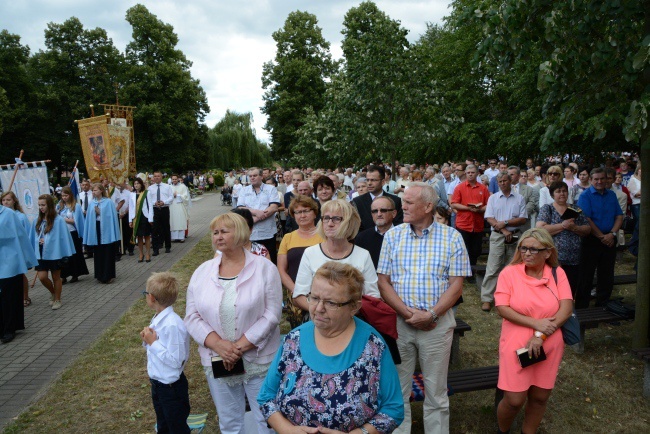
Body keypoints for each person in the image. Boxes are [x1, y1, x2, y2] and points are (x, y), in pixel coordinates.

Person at [258, 262, 404, 433]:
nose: (319, 309)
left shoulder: (372, 345)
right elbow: (266, 398)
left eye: (331, 303)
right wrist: (287, 430)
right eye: (314, 298)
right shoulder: (294, 339)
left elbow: (393, 409)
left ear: (354, 307)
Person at [377, 182, 471, 433]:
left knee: (436, 391)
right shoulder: (392, 236)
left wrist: (431, 315)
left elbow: (456, 286)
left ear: (428, 206)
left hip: (437, 326)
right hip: (400, 325)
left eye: (408, 202)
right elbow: (383, 283)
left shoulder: (452, 237)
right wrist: (409, 314)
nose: (402, 206)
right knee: (398, 389)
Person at [184, 213, 282, 434]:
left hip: (258, 358)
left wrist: (238, 348)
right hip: (217, 359)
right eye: (215, 232)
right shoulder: (202, 272)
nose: (218, 236)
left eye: (224, 231)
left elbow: (273, 313)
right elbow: (191, 315)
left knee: (266, 419)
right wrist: (219, 345)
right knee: (229, 421)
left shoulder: (265, 268)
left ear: (240, 233)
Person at [495, 228, 573, 434]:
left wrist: (541, 334)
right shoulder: (509, 273)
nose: (527, 253)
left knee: (539, 397)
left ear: (548, 252)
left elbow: (566, 309)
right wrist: (534, 323)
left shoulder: (558, 273)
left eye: (533, 249)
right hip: (517, 342)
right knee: (514, 399)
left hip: (549, 341)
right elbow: (502, 307)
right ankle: (502, 431)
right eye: (523, 248)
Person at [292, 199, 381, 314]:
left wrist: (342, 315)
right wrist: (321, 312)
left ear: (349, 223)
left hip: (352, 319)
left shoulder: (363, 255)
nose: (330, 223)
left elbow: (373, 297)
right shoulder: (310, 253)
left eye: (336, 219)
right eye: (326, 218)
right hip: (318, 318)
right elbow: (299, 295)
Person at [140, 272, 191, 434]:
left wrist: (153, 343)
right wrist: (147, 340)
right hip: (159, 384)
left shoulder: (172, 325)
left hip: (171, 388)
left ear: (152, 298)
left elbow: (176, 360)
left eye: (146, 294)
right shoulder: (158, 317)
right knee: (163, 426)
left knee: (177, 428)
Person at [576, 168, 623, 308]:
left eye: (602, 178)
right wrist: (602, 236)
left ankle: (603, 305)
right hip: (591, 240)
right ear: (591, 180)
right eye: (596, 179)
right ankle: (582, 308)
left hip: (610, 238)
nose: (599, 181)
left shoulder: (612, 195)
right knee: (586, 276)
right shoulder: (585, 196)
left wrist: (612, 234)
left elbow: (619, 216)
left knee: (607, 275)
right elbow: (586, 219)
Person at [480, 172, 528, 312]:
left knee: (512, 268)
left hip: (514, 236)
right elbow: (489, 217)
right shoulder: (493, 198)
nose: (502, 183)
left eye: (504, 181)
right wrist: (504, 230)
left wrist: (506, 223)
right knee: (493, 267)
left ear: (510, 181)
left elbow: (523, 218)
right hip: (498, 236)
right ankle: (487, 299)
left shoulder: (519, 198)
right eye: (500, 181)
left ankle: (509, 298)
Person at [536, 181, 591, 296]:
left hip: (574, 258)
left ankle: (569, 310)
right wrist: (562, 225)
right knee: (554, 288)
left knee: (571, 288)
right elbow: (541, 229)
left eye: (564, 191)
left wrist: (574, 227)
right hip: (554, 258)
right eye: (558, 191)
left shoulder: (576, 209)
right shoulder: (548, 209)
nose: (562, 193)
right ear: (552, 195)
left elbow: (587, 229)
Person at [277, 195, 323, 328]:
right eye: (297, 212)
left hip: (321, 294)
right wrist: (296, 290)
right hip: (295, 294)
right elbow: (281, 269)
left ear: (315, 213)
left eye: (306, 211)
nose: (302, 215)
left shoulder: (325, 236)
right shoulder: (288, 238)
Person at [30, 195, 75, 310]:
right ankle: (53, 292)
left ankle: (57, 299)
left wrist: (47, 240)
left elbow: (61, 237)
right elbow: (33, 235)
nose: (41, 207)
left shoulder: (58, 220)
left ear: (49, 205)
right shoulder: (37, 220)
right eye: (39, 205)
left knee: (56, 277)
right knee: (42, 277)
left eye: (43, 205)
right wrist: (38, 240)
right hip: (41, 253)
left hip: (55, 253)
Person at [0, 203, 37, 343]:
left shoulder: (9, 214)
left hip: (9, 259)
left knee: (9, 296)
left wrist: (26, 260)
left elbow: (20, 236)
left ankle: (10, 328)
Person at [450, 164, 490, 272]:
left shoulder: (483, 188)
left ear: (477, 173)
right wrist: (468, 208)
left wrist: (480, 209)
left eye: (473, 172)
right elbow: (454, 204)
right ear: (465, 173)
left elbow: (489, 204)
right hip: (463, 224)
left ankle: (472, 270)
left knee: (476, 250)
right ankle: (462, 271)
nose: (470, 174)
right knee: (462, 250)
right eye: (468, 172)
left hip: (477, 224)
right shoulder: (459, 187)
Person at [237, 167, 280, 263]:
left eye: (255, 175)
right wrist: (256, 212)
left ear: (261, 176)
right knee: (250, 262)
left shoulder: (271, 189)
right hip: (249, 234)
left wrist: (254, 220)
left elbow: (273, 207)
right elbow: (241, 208)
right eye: (250, 176)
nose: (252, 178)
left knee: (270, 261)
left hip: (267, 233)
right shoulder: (244, 190)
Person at [83, 183, 121, 284]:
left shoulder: (108, 202)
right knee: (98, 252)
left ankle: (108, 275)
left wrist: (100, 212)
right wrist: (94, 213)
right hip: (96, 229)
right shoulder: (92, 203)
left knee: (107, 252)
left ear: (101, 190)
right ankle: (99, 275)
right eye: (93, 190)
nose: (94, 192)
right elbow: (89, 217)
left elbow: (111, 217)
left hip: (107, 230)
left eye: (95, 190)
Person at [1, 192, 32, 307]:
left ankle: (25, 296)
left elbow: (27, 235)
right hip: (6, 253)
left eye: (8, 200)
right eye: (3, 200)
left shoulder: (20, 216)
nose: (5, 202)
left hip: (19, 250)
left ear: (14, 201)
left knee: (21, 274)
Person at [353, 165, 403, 232]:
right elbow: (356, 227)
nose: (369, 183)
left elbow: (399, 225)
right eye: (367, 180)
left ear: (382, 182)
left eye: (373, 180)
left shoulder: (396, 200)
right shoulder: (357, 202)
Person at [355, 195, 398, 269]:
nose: (379, 214)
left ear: (394, 213)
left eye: (383, 210)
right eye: (375, 211)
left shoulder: (404, 235)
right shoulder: (362, 238)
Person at [58, 186, 89, 284]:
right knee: (63, 255)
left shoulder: (76, 206)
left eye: (66, 195)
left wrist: (64, 220)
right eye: (63, 195)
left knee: (74, 254)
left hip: (73, 233)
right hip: (62, 234)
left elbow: (77, 221)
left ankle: (75, 273)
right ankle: (63, 275)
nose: (64, 197)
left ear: (70, 195)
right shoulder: (59, 206)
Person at [148, 171, 174, 255]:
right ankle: (155, 249)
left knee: (166, 227)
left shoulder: (167, 187)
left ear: (161, 177)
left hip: (164, 208)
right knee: (155, 229)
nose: (156, 178)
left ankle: (167, 246)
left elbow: (171, 197)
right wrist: (154, 202)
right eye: (155, 176)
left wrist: (164, 202)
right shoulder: (150, 188)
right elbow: (149, 200)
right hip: (155, 209)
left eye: (158, 176)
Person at [129, 177, 154, 262]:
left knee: (146, 236)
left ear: (141, 184)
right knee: (139, 237)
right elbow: (131, 208)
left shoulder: (146, 193)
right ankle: (141, 253)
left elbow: (150, 206)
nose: (136, 185)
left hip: (145, 217)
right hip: (136, 218)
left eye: (137, 183)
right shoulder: (132, 194)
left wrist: (150, 218)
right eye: (134, 184)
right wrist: (130, 220)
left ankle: (147, 253)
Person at [170, 175, 190, 243]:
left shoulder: (182, 186)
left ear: (178, 179)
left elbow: (186, 196)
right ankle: (173, 237)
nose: (174, 180)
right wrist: (172, 195)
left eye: (175, 179)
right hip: (172, 206)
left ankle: (181, 237)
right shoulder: (169, 187)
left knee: (180, 220)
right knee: (173, 220)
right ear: (171, 180)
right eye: (173, 179)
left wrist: (178, 195)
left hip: (180, 205)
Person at [627, 163, 641, 232]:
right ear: (638, 170)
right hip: (636, 204)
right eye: (641, 169)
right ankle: (634, 240)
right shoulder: (633, 179)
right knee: (639, 222)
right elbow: (636, 194)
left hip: (644, 203)